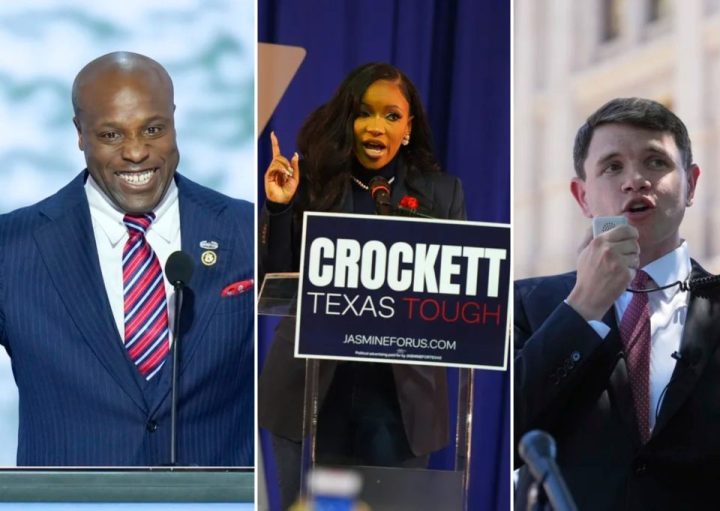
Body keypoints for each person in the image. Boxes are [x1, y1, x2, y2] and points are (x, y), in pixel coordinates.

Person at [0, 52, 254, 466]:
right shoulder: (12, 248)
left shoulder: (245, 230)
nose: (136, 153)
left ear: (174, 120)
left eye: (153, 129)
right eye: (111, 136)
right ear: (80, 134)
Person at [514, 97, 720, 510]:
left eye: (655, 162)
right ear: (582, 196)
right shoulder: (528, 304)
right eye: (612, 166)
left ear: (691, 184)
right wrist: (581, 308)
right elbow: (498, 434)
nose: (635, 180)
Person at [258, 62, 466, 509]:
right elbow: (273, 282)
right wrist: (280, 208)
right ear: (347, 120)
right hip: (310, 392)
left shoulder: (441, 195)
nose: (376, 127)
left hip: (400, 401)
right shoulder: (312, 185)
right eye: (364, 113)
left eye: (391, 116)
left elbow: (457, 295)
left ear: (408, 128)